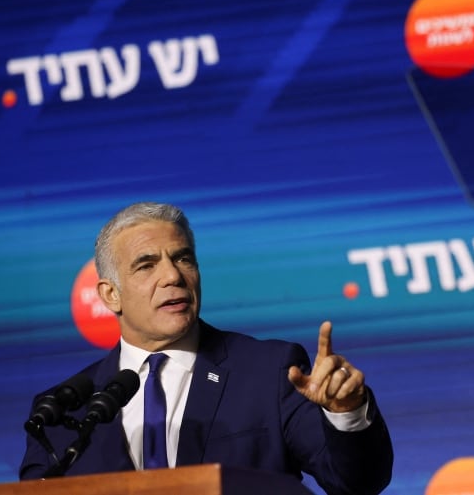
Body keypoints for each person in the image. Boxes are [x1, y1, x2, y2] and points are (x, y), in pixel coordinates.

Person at [20, 202, 393, 495]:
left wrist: (347, 413)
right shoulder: (63, 410)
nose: (173, 276)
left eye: (183, 258)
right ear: (110, 294)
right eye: (147, 265)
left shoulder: (270, 372)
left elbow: (356, 484)